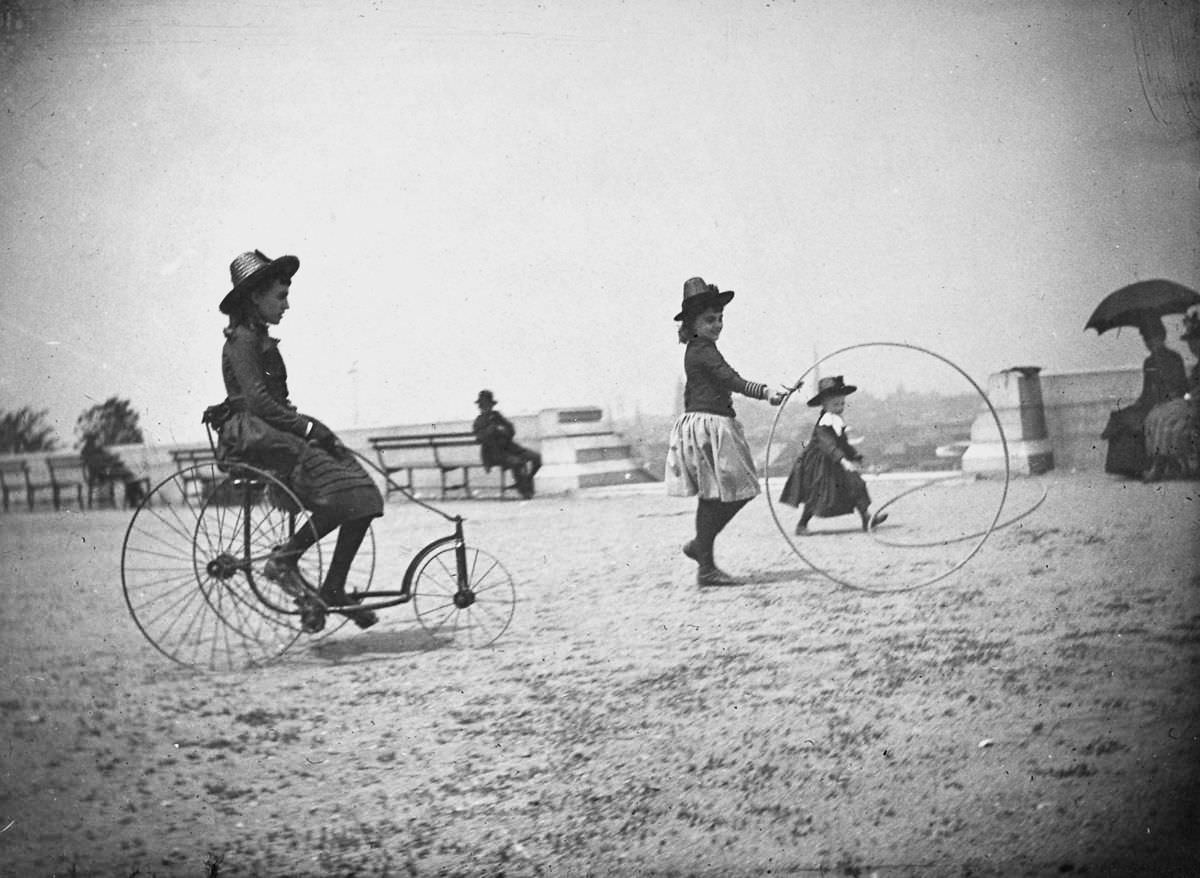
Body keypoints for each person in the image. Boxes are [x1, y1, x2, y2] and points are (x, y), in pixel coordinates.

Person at [216, 250, 383, 633]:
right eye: (280, 296)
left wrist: (315, 428)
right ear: (254, 298)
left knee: (364, 494)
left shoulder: (258, 339)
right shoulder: (240, 340)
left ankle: (334, 587)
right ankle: (283, 560)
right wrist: (308, 429)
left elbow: (276, 405)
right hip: (254, 434)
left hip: (274, 429)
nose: (287, 304)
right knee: (338, 492)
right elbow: (259, 403)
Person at [666, 277, 789, 587]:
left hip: (708, 423)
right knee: (732, 491)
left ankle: (702, 552)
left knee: (721, 494)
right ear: (693, 322)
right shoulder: (702, 351)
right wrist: (764, 391)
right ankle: (703, 555)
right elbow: (729, 379)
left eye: (720, 318)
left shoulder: (700, 349)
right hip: (710, 425)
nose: (717, 324)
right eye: (710, 319)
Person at [778, 375, 889, 535]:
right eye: (836, 404)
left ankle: (867, 519)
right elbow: (828, 445)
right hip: (820, 463)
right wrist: (843, 460)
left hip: (836, 459)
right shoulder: (824, 422)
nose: (840, 407)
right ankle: (802, 524)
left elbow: (842, 443)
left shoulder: (837, 419)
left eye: (842, 403)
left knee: (855, 484)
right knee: (817, 493)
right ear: (824, 404)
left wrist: (856, 457)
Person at [1102, 316, 1189, 480]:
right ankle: (1128, 467)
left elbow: (1182, 386)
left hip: (1168, 403)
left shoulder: (1174, 358)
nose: (1149, 343)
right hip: (1150, 402)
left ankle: (1156, 464)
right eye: (1146, 340)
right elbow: (1145, 392)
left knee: (1145, 419)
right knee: (1121, 416)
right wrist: (1135, 405)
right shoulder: (1149, 362)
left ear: (1161, 337)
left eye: (1152, 338)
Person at [472, 389, 542, 499]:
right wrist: (493, 430)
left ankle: (525, 481)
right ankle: (525, 491)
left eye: (488, 404)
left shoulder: (497, 416)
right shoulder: (479, 421)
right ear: (480, 406)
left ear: (491, 405)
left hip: (511, 448)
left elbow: (511, 430)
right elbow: (480, 438)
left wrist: (503, 430)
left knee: (537, 458)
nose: (486, 407)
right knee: (517, 462)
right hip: (493, 453)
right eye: (483, 405)